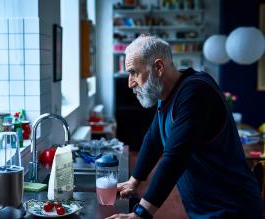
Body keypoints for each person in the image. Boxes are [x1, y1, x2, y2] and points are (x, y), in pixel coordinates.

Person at [106, 35, 263, 219]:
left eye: (134, 72)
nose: (130, 82)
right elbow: (154, 138)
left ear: (158, 67)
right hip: (204, 207)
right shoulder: (167, 92)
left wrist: (141, 214)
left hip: (231, 207)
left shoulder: (196, 92)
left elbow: (175, 157)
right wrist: (134, 181)